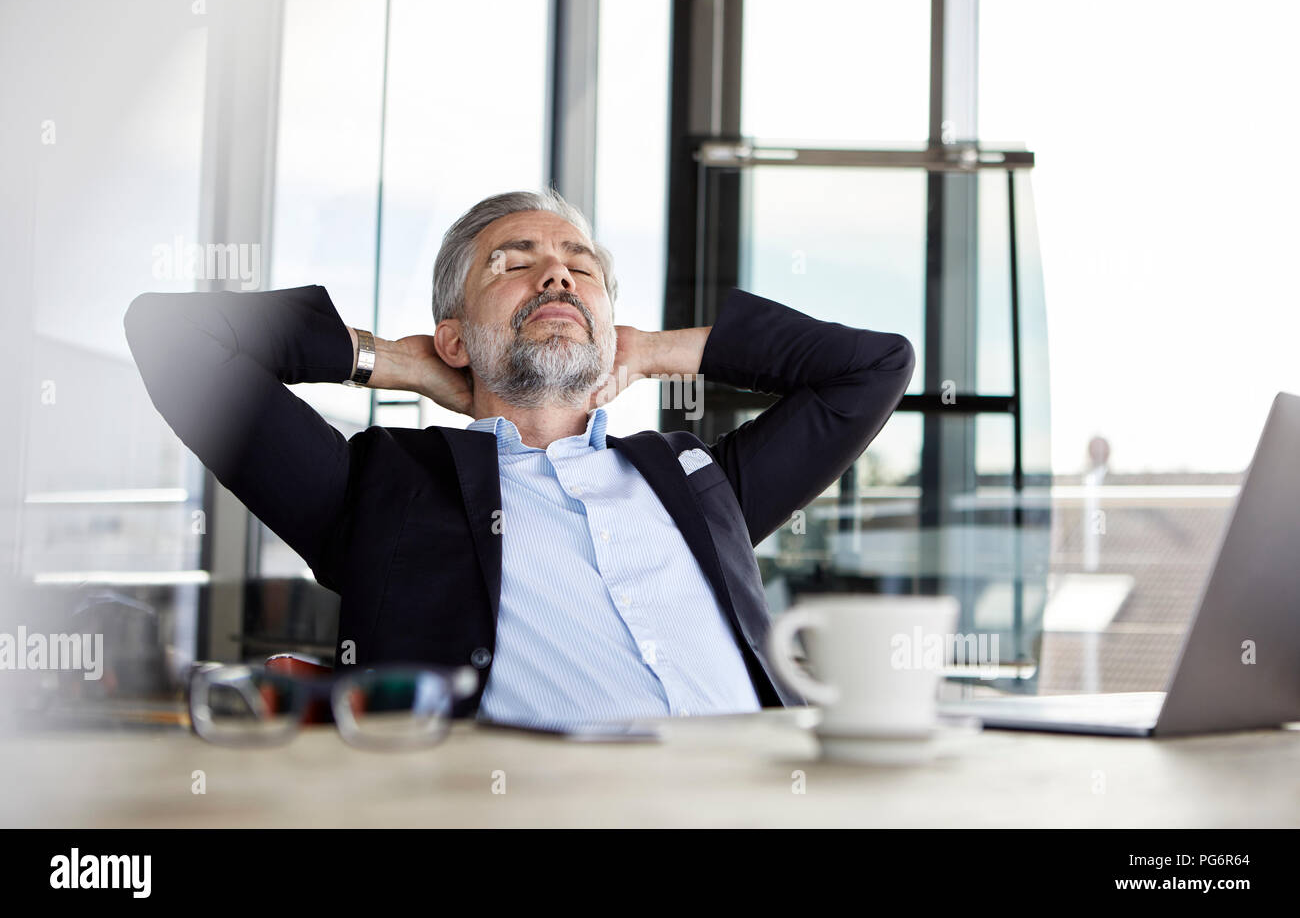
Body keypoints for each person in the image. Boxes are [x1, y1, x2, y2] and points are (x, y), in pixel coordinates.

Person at [124, 187, 915, 726]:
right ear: (455, 337)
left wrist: (652, 350)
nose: (558, 272)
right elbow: (173, 340)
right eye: (513, 262)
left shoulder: (695, 483)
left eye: (582, 266)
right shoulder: (382, 493)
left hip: (766, 800)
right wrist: (392, 362)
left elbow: (874, 367)